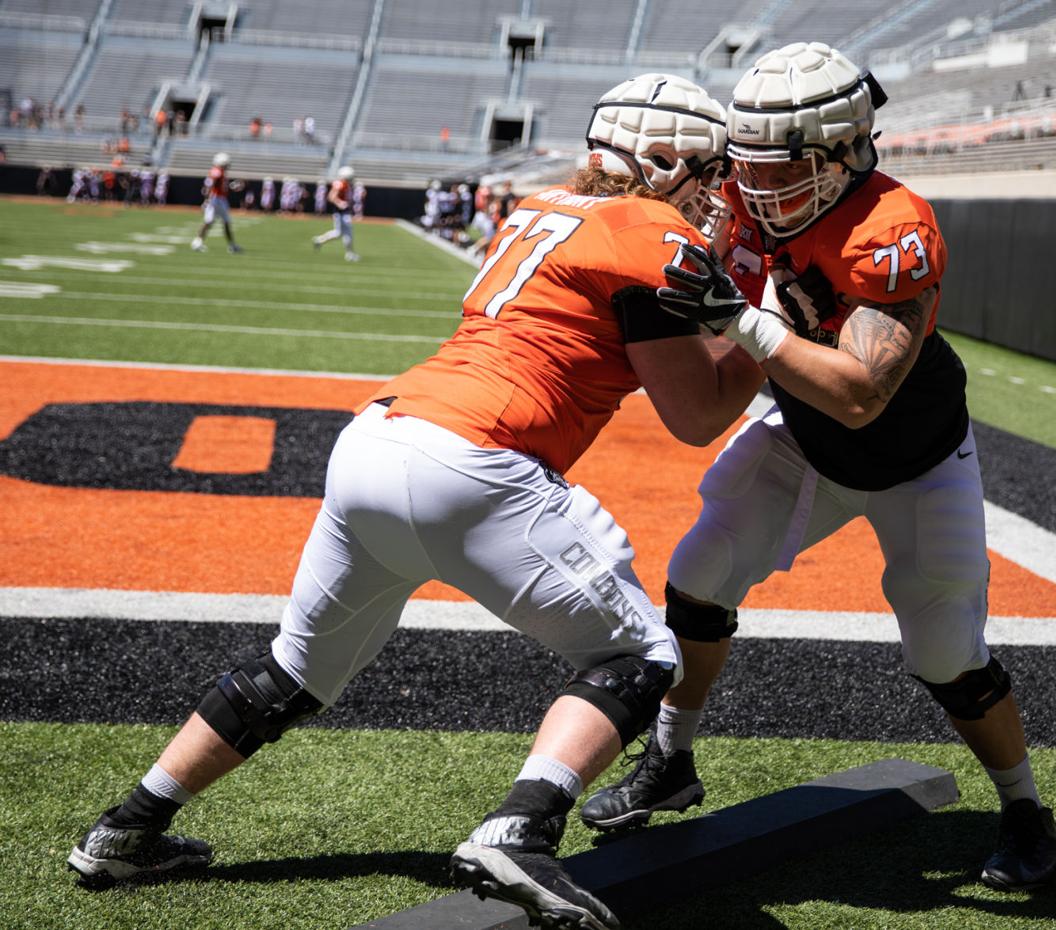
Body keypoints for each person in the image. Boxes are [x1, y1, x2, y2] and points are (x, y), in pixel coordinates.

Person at [66, 72, 760, 930]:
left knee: (295, 669)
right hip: (476, 462)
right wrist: (771, 335)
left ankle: (128, 827)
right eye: (708, 168)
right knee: (645, 657)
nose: (716, 188)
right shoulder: (651, 226)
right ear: (664, 161)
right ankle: (522, 829)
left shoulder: (541, 205)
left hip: (379, 437)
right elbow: (698, 415)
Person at [579, 42, 1056, 892]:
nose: (758, 189)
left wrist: (739, 315)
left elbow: (862, 393)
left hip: (914, 454)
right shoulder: (737, 195)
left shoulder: (892, 229)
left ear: (847, 153)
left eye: (784, 169)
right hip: (802, 434)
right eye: (748, 167)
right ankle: (671, 758)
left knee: (947, 648)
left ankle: (1023, 807)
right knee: (698, 575)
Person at [191, 152, 241, 253]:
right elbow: (211, 184)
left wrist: (230, 187)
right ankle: (231, 245)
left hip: (218, 199)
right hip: (217, 199)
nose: (228, 165)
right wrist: (207, 199)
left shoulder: (219, 171)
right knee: (221, 222)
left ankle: (198, 242)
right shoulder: (217, 171)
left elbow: (217, 185)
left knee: (211, 222)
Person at [311, 166, 360, 261]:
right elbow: (331, 196)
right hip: (341, 213)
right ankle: (349, 254)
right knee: (347, 234)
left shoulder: (343, 184)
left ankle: (319, 240)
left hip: (342, 213)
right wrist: (340, 203)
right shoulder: (341, 184)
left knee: (338, 233)